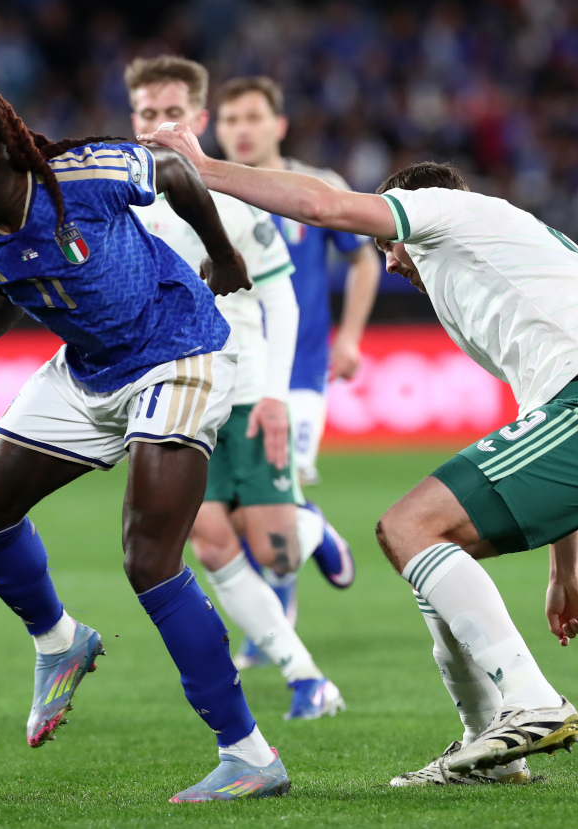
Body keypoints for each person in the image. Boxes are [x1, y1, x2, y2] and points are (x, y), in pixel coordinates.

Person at [141, 124, 578, 786]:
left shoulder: (447, 208)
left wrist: (204, 168)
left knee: (406, 525)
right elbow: (542, 424)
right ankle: (490, 749)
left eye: (388, 242)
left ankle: (532, 700)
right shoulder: (493, 276)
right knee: (430, 548)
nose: (389, 260)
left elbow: (325, 206)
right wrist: (564, 570)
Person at [0, 81, 290, 802]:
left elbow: (174, 171)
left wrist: (225, 255)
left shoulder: (83, 177)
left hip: (176, 349)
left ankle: (248, 753)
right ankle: (58, 640)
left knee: (149, 557)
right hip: (88, 370)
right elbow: (1, 284)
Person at [124, 56, 344, 721]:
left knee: (271, 543)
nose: (159, 125)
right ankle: (305, 676)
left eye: (172, 114)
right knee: (211, 542)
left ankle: (309, 528)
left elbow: (282, 297)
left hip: (245, 385)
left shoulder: (231, 193)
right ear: (132, 118)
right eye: (146, 113)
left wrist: (275, 393)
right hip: (178, 394)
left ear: (197, 119)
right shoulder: (118, 198)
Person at [210, 77, 370, 667]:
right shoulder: (205, 193)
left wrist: (349, 335)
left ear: (279, 125)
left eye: (253, 117)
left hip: (298, 374)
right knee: (234, 506)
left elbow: (364, 261)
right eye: (230, 120)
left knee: (280, 484)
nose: (241, 129)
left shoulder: (319, 189)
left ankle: (278, 616)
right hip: (229, 375)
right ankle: (312, 536)